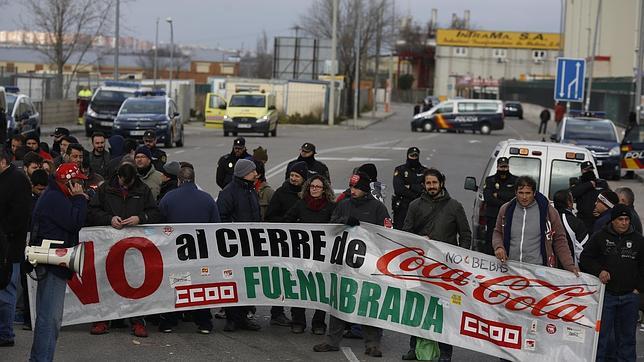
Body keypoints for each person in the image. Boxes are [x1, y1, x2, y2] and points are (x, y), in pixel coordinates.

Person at [313, 171, 390, 358]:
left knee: (368, 303)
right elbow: (331, 226)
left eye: (356, 187)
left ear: (364, 189)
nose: (352, 190)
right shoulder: (344, 204)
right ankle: (332, 341)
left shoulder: (378, 208)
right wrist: (343, 221)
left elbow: (388, 232)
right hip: (344, 263)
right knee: (339, 301)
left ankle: (372, 343)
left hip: (368, 264)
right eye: (351, 186)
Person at [401, 168, 472, 361]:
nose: (431, 186)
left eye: (434, 182)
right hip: (419, 267)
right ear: (424, 185)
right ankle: (414, 348)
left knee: (445, 310)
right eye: (428, 183)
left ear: (442, 183)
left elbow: (465, 236)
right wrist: (418, 240)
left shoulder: (455, 206)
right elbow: (405, 233)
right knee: (417, 307)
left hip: (445, 270)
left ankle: (446, 352)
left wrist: (459, 258)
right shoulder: (415, 205)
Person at [86, 162, 163, 337]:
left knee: (135, 282)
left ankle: (137, 320)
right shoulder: (105, 189)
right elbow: (91, 212)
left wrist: (141, 217)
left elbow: (155, 212)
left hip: (134, 247)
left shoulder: (142, 190)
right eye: (123, 183)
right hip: (108, 246)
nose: (125, 186)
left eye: (129, 184)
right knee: (105, 282)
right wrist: (109, 219)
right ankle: (102, 319)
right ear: (118, 177)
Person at [29, 163, 88, 361]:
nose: (80, 185)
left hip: (52, 264)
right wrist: (79, 199)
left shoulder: (54, 195)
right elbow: (76, 221)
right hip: (53, 266)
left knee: (48, 318)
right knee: (50, 319)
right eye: (77, 182)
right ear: (68, 182)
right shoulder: (55, 198)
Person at [159, 166, 220, 334]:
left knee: (177, 285)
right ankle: (204, 322)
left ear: (178, 180)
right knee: (200, 285)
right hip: (200, 252)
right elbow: (216, 226)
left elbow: (159, 225)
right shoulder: (207, 199)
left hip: (176, 252)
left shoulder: (168, 198)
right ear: (194, 180)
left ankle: (169, 321)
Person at [580, 204, 644, 362]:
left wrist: (639, 288)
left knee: (627, 339)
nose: (624, 222)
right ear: (613, 221)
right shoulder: (600, 236)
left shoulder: (638, 240)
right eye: (620, 219)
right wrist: (599, 271)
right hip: (606, 296)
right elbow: (585, 257)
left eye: (627, 219)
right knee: (602, 338)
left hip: (630, 297)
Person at [493, 176, 579, 274]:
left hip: (539, 271)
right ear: (515, 193)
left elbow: (560, 240)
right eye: (521, 193)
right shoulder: (506, 210)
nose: (524, 197)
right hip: (511, 268)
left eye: (528, 193)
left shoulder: (548, 212)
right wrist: (499, 247)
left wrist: (569, 265)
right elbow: (498, 232)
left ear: (534, 193)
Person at [284, 175, 335, 335]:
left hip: (322, 255)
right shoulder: (301, 204)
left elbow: (336, 225)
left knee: (320, 289)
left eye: (318, 186)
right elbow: (286, 221)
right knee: (299, 287)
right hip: (302, 254)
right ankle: (298, 321)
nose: (314, 188)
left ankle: (318, 323)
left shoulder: (331, 207)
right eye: (312, 186)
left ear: (324, 189)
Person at [216, 159, 262, 332]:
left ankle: (243, 316)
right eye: (253, 171)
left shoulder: (250, 190)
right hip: (235, 245)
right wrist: (235, 232)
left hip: (251, 244)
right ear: (244, 173)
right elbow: (222, 216)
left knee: (247, 282)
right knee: (233, 281)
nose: (256, 174)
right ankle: (232, 318)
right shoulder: (229, 192)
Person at [265, 161, 308, 327]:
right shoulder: (281, 193)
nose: (293, 179)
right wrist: (288, 222)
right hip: (283, 244)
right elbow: (269, 217)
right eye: (291, 175)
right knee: (282, 278)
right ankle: (277, 313)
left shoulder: (307, 195)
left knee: (299, 280)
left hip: (302, 246)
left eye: (297, 176)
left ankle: (298, 316)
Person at [0, 151, 32, 347]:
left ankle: (6, 334)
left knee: (6, 290)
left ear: (3, 161)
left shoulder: (18, 180)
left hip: (9, 247)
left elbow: (20, 216)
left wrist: (3, 234)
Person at [481, 157, 517, 254]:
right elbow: (488, 198)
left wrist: (499, 194)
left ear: (508, 167)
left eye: (505, 167)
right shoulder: (490, 180)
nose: (503, 169)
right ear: (497, 167)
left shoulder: (515, 180)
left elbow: (514, 197)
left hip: (510, 217)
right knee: (490, 240)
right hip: (493, 216)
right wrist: (506, 202)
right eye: (501, 167)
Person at [392, 147, 427, 230]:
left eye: (415, 155)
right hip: (403, 207)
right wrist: (416, 193)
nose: (414, 158)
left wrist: (410, 186)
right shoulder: (400, 170)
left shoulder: (424, 171)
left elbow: (424, 189)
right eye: (412, 155)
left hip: (419, 207)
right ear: (408, 156)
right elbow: (399, 189)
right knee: (400, 230)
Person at [553, 189, 588, 265]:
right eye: (572, 199)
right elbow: (583, 251)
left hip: (547, 269)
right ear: (569, 203)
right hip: (570, 270)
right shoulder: (575, 222)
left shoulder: (548, 218)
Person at [571, 161, 609, 231]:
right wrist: (589, 185)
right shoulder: (578, 184)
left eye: (591, 169)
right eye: (587, 170)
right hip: (583, 221)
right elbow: (572, 194)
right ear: (582, 171)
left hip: (599, 220)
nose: (589, 171)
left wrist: (602, 212)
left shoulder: (601, 183)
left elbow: (610, 199)